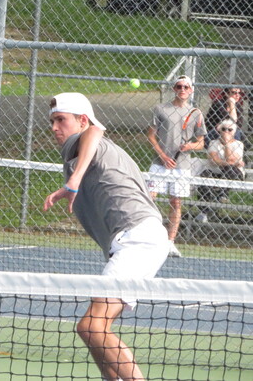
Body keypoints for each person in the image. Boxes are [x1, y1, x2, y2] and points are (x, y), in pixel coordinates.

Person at [43, 92, 168, 381]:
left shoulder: (87, 140)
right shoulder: (84, 154)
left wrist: (73, 180)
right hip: (136, 240)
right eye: (51, 121)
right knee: (94, 333)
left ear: (82, 121)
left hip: (138, 238)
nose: (54, 128)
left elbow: (96, 132)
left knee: (91, 327)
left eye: (60, 120)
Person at [147, 75, 206, 258]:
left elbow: (201, 143)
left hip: (182, 165)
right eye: (179, 86)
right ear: (174, 88)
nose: (182, 90)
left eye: (186, 87)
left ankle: (170, 243)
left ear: (191, 90)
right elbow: (150, 135)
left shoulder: (196, 113)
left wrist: (190, 146)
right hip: (160, 164)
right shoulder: (160, 109)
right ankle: (147, 237)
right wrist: (163, 156)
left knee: (176, 202)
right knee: (148, 199)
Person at [196, 118, 245, 223]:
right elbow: (213, 160)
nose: (226, 131)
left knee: (230, 169)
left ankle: (222, 194)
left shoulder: (239, 144)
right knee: (205, 174)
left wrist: (227, 144)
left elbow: (231, 160)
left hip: (232, 173)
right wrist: (229, 162)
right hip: (215, 171)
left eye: (230, 130)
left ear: (234, 132)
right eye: (224, 129)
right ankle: (203, 211)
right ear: (219, 130)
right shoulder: (214, 142)